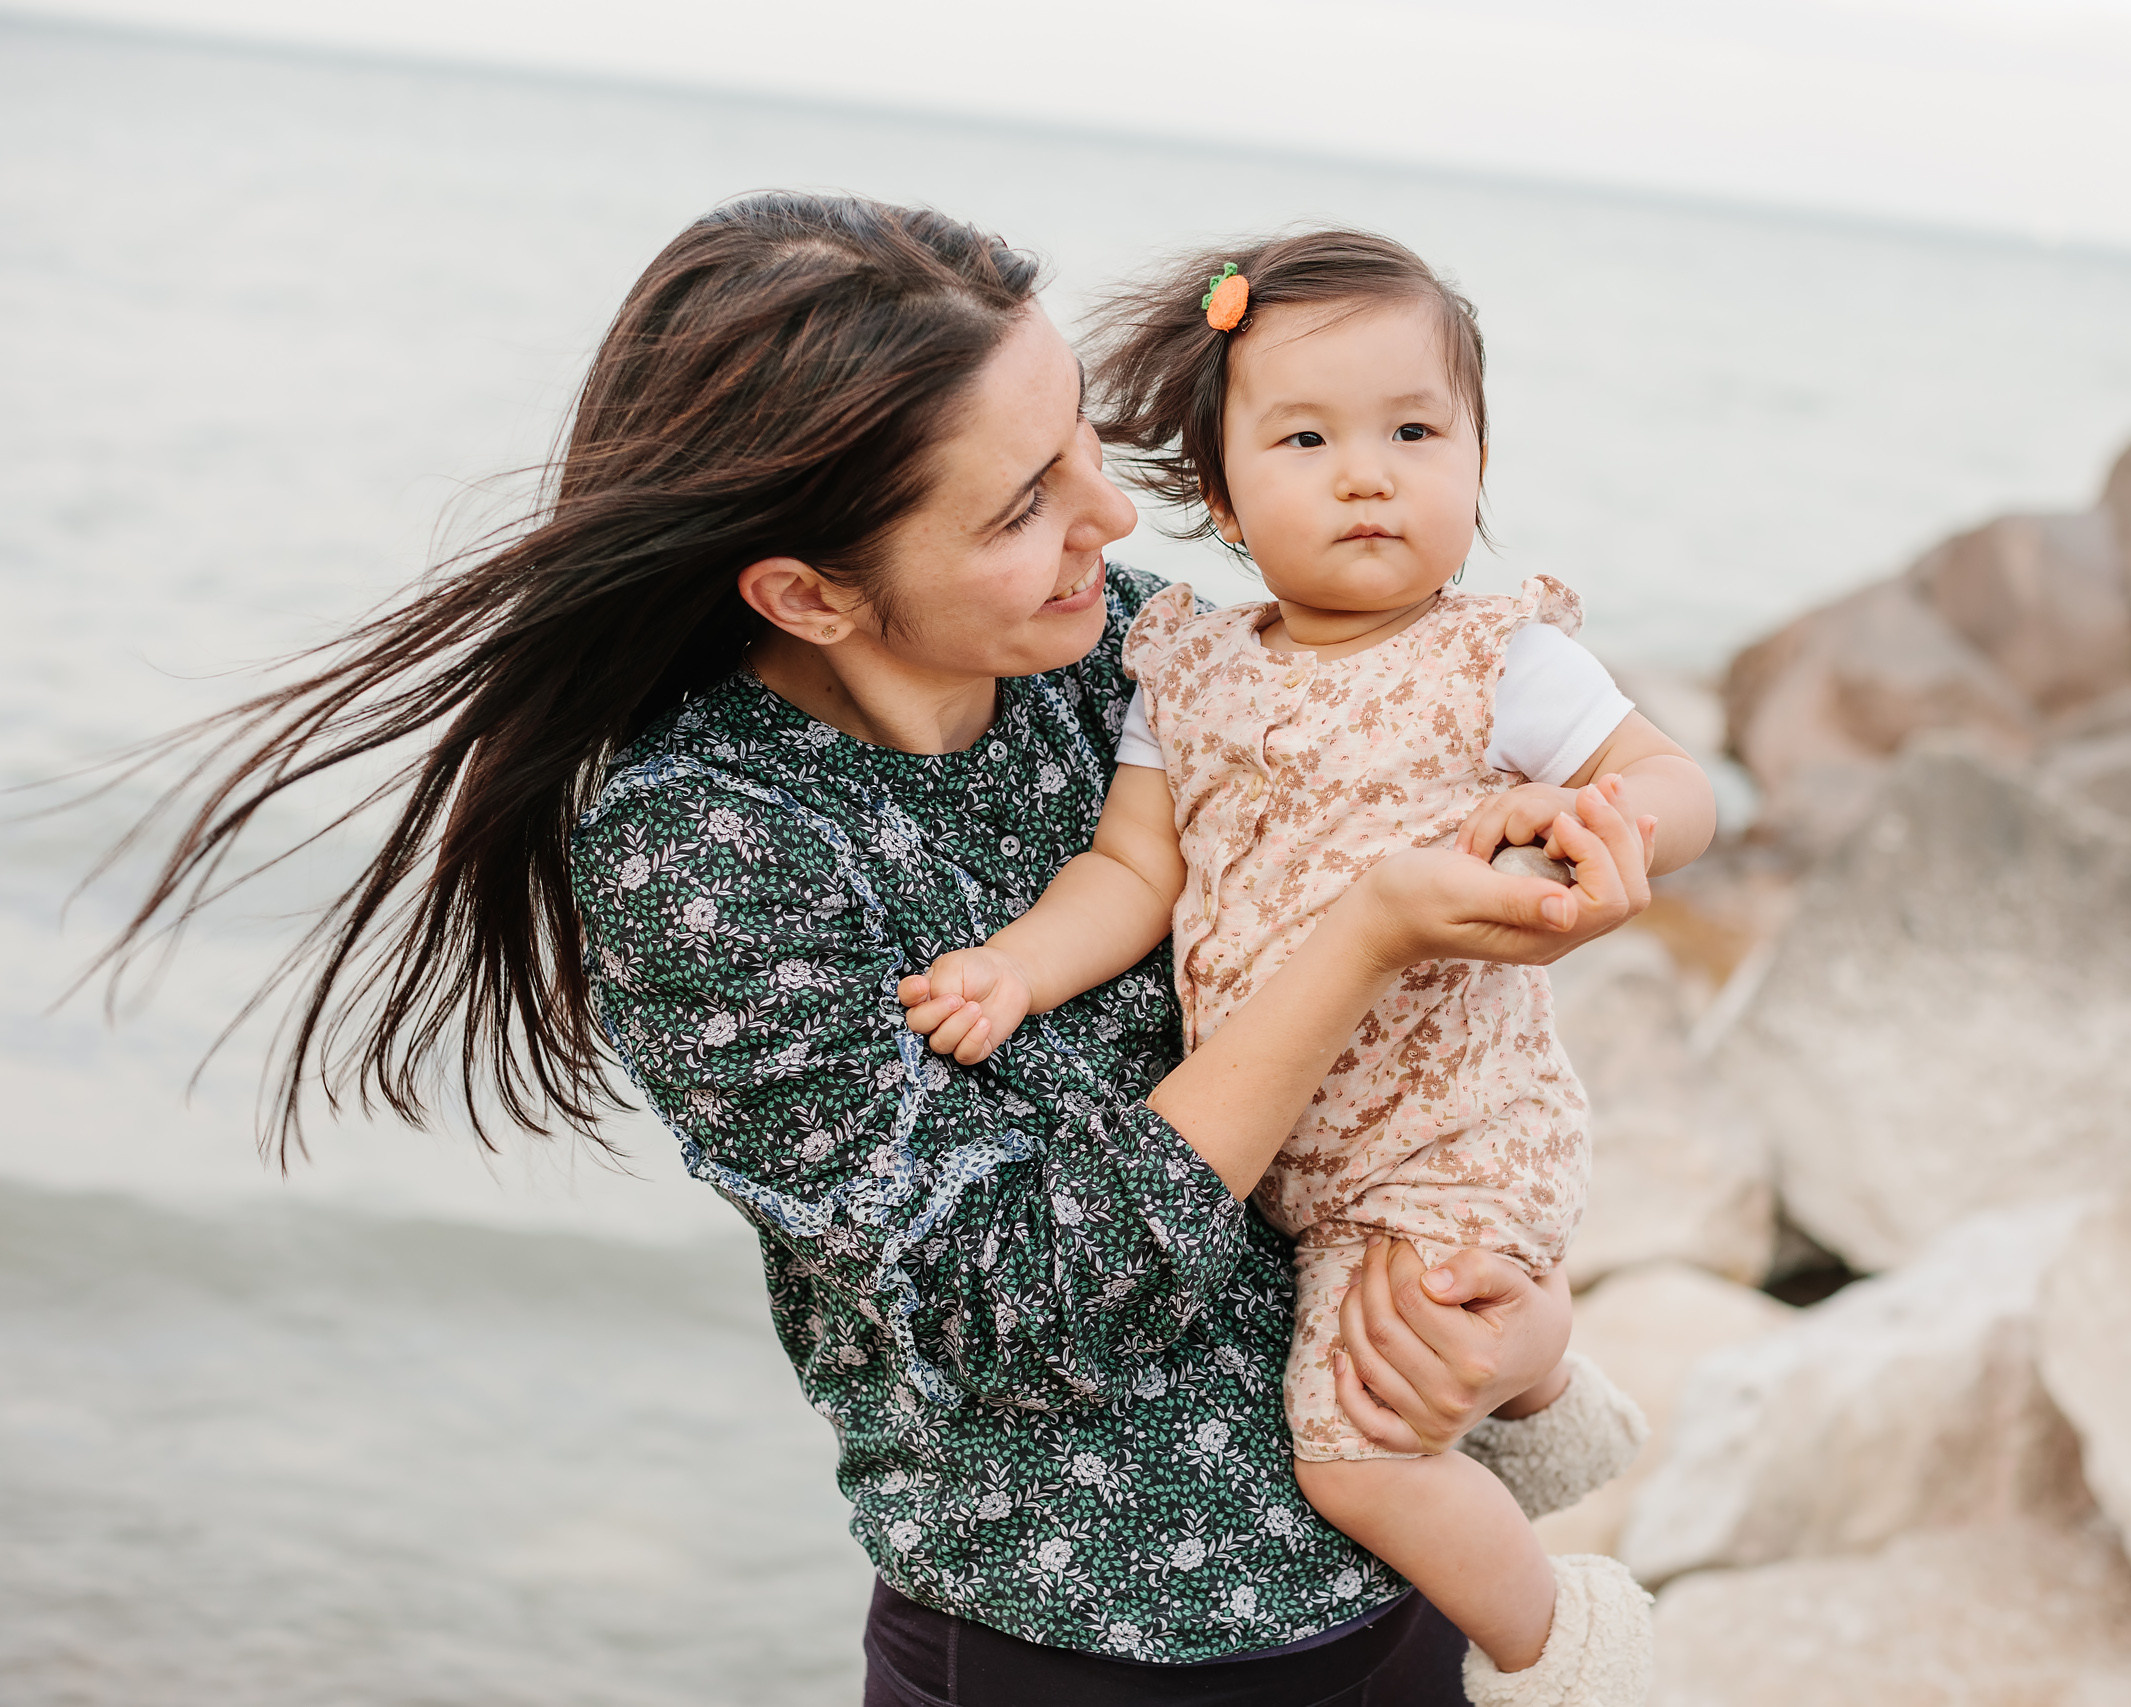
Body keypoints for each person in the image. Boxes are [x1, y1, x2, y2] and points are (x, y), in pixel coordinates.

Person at [105, 193, 1658, 1705]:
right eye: (1021, 504)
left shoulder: (1124, 648)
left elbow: (1395, 1093)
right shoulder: (706, 848)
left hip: (1400, 1602)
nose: (1111, 520)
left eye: (1079, 448)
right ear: (810, 592)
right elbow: (1010, 1299)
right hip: (1083, 1654)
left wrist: (1520, 1342)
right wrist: (1363, 939)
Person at [894, 230, 1718, 1706]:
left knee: (1357, 1456)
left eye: (1416, 432)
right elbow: (1132, 875)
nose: (1368, 474)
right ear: (1218, 494)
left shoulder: (1497, 660)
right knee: (1415, 1376)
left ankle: (1572, 1652)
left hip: (1445, 1140)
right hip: (1281, 1159)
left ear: (1476, 457)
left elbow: (1674, 781)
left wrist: (1601, 841)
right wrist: (1018, 969)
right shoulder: (1186, 668)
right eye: (1307, 437)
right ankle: (1548, 1407)